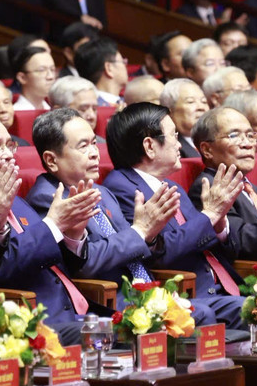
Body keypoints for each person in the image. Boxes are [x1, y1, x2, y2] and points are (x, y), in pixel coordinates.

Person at [0, 111, 100, 343]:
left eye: (9, 145)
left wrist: (73, 236)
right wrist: (53, 224)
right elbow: (0, 270)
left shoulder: (13, 197)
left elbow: (56, 260)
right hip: (33, 319)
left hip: (75, 310)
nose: (8, 155)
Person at [100, 103, 251, 330]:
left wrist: (218, 223)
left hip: (223, 285)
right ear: (150, 146)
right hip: (187, 291)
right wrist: (209, 215)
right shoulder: (125, 188)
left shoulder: (172, 186)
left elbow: (204, 238)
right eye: (174, 136)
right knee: (255, 311)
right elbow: (160, 253)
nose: (180, 144)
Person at [26, 106, 175, 287]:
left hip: (149, 290)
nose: (95, 153)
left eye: (94, 143)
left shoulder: (102, 192)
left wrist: (149, 235)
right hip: (109, 299)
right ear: (51, 160)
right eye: (83, 146)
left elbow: (132, 245)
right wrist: (140, 231)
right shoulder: (48, 200)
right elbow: (85, 263)